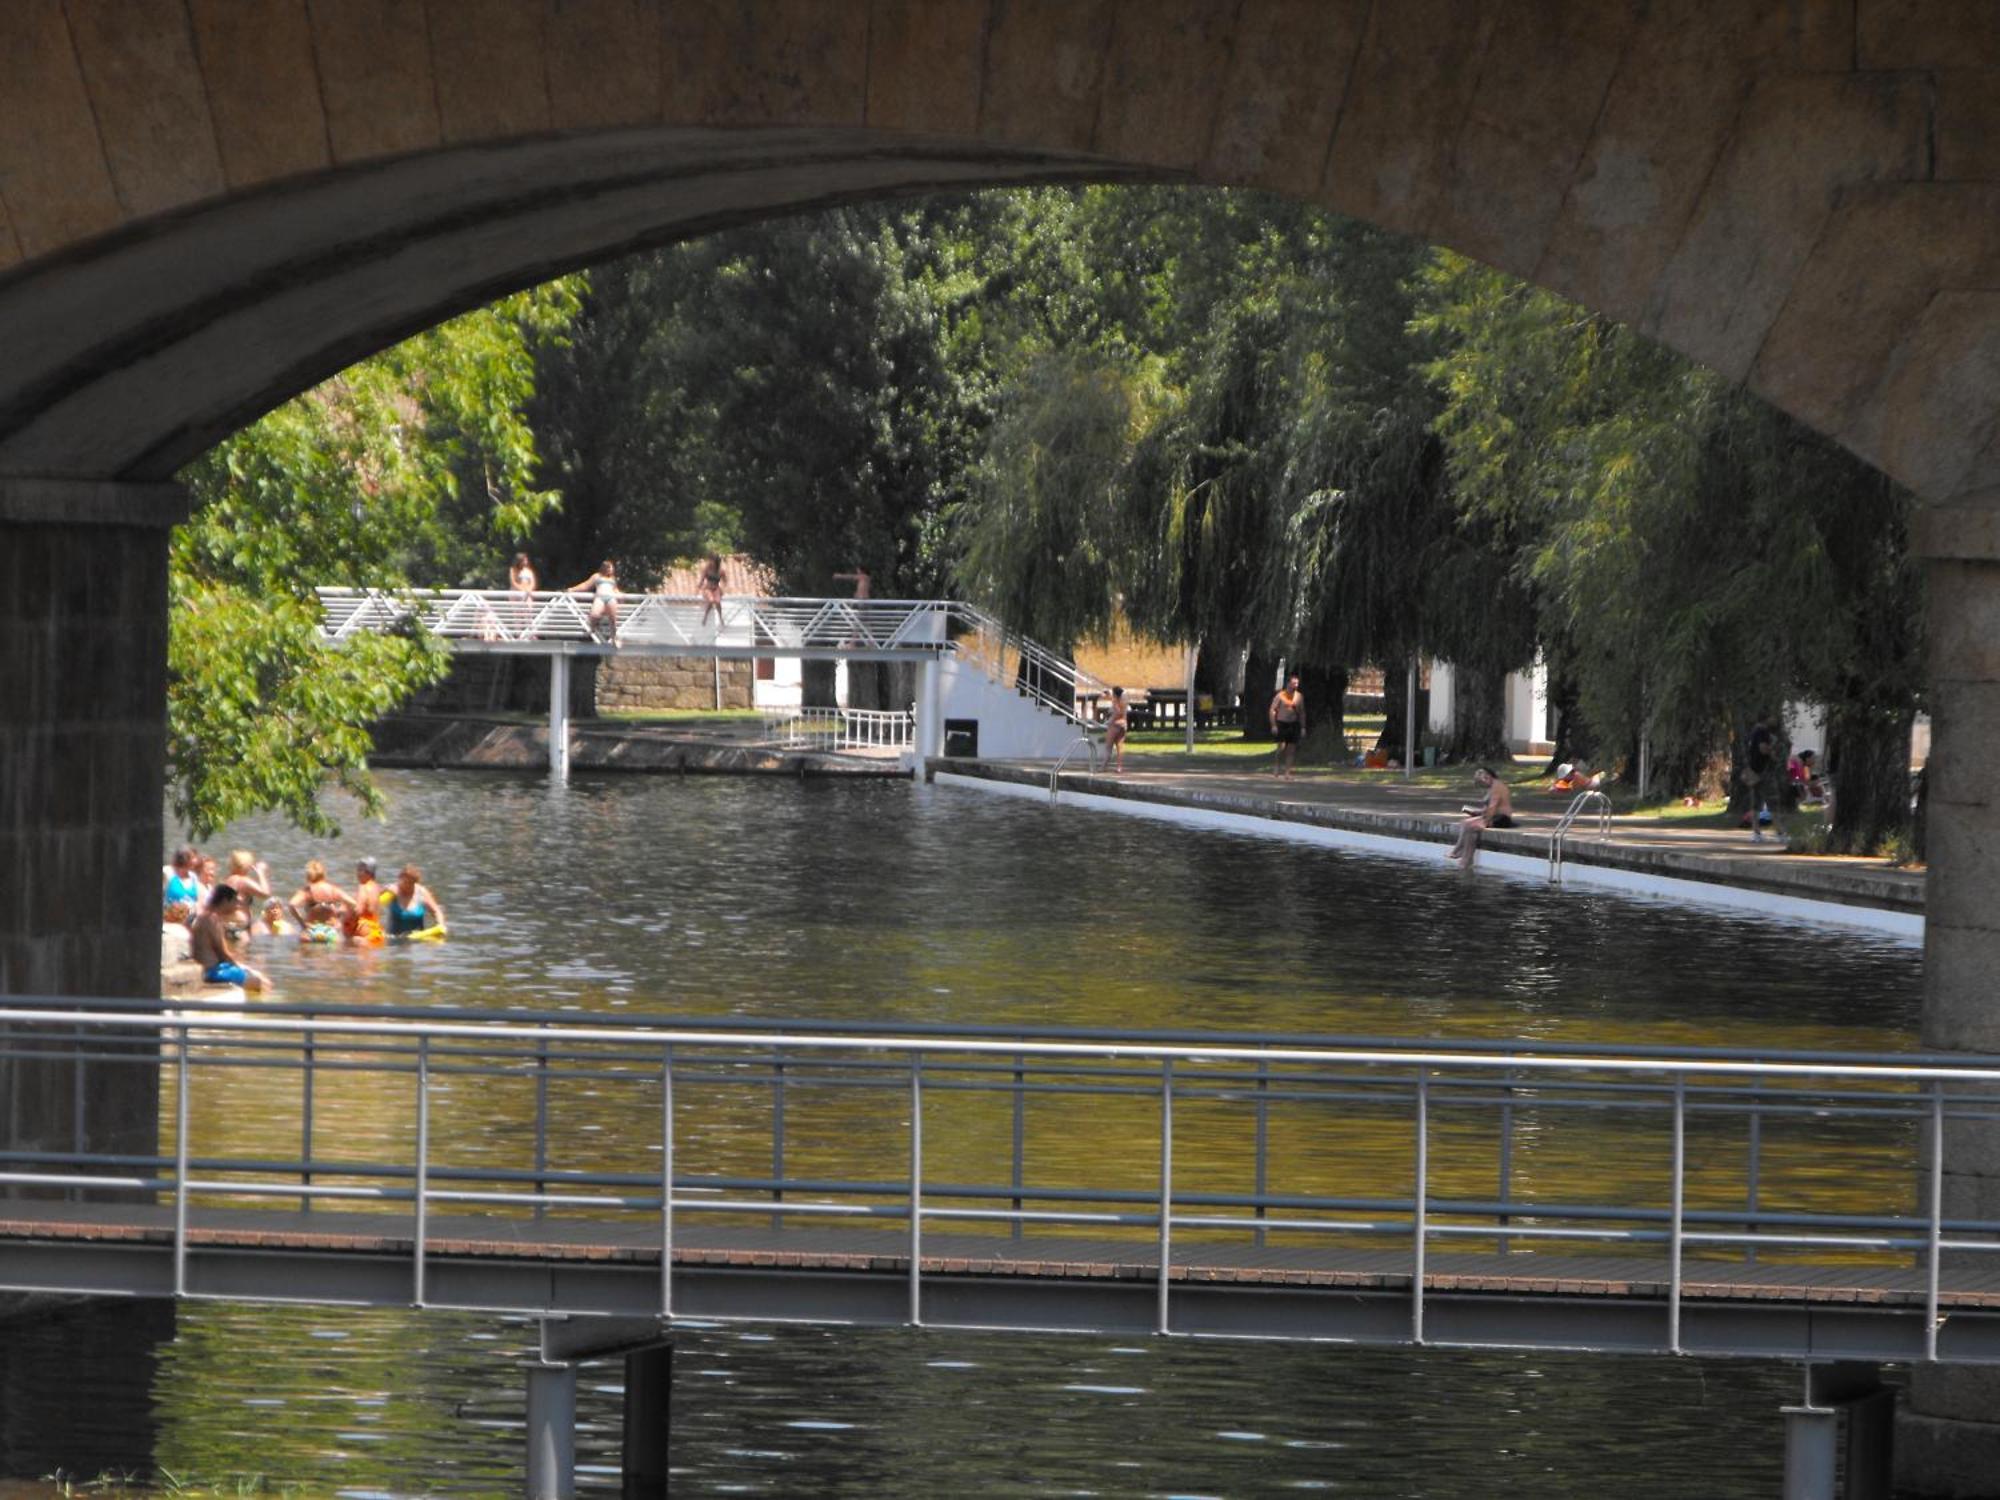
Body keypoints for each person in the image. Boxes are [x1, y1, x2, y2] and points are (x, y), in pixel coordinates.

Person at [190, 885, 268, 991]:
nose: (237, 905)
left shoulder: (205, 917)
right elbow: (224, 954)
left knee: (258, 976)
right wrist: (244, 968)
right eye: (235, 901)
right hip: (211, 971)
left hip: (212, 967)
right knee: (260, 982)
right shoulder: (211, 919)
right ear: (226, 900)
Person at [1447, 766, 1515, 868]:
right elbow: (1487, 808)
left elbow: (1492, 808)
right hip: (1494, 816)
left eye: (1482, 782)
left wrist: (1484, 822)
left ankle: (1466, 858)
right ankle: (1459, 851)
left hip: (1502, 818)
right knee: (1465, 822)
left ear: (1488, 777)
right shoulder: (1492, 786)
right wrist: (1476, 813)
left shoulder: (1497, 787)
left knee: (1471, 826)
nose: (1483, 785)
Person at [287, 859, 357, 944]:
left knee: (303, 954)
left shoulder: (308, 890)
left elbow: (291, 905)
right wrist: (340, 919)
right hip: (330, 932)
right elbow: (354, 904)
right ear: (323, 873)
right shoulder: (333, 889)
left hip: (311, 932)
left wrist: (301, 922)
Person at [383, 864, 447, 938]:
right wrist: (385, 888)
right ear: (400, 879)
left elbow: (436, 911)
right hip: (394, 939)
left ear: (415, 882)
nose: (406, 886)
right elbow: (373, 897)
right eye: (404, 882)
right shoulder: (392, 891)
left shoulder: (421, 892)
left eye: (409, 883)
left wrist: (441, 924)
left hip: (418, 940)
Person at [1744, 715, 1778, 841]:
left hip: (1753, 770)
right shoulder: (1762, 731)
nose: (1775, 720)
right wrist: (1772, 752)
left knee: (1756, 803)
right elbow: (1763, 749)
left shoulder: (1753, 731)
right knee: (1772, 801)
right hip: (1762, 771)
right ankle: (1780, 832)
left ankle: (1756, 833)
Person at [570, 559, 620, 643]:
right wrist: (572, 589)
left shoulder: (612, 579)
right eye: (611, 568)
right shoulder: (597, 576)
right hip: (600, 597)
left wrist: (622, 596)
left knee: (613, 619)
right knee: (594, 615)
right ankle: (592, 629)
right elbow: (585, 585)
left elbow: (616, 590)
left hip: (611, 598)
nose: (612, 570)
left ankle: (614, 638)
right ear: (605, 568)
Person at [1269, 675, 1305, 778]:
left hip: (1293, 724)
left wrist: (1303, 727)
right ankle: (1277, 766)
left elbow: (1302, 713)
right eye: (1294, 683)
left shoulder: (1299, 696)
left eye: (1297, 683)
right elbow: (1272, 710)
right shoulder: (1280, 696)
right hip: (1281, 723)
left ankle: (1287, 772)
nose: (1296, 685)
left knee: (1291, 749)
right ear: (1288, 684)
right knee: (1281, 747)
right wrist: (1274, 725)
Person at [348, 857, 387, 943]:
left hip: (364, 930)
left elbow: (358, 910)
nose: (357, 874)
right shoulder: (376, 888)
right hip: (377, 932)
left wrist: (346, 918)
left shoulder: (363, 887)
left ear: (368, 873)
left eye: (359, 870)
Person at [162, 845, 203, 923]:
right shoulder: (168, 872)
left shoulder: (193, 877)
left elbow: (198, 900)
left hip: (189, 921)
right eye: (193, 857)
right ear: (184, 858)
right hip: (171, 920)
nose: (196, 861)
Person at [1103, 686, 1130, 774]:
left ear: (1115, 694)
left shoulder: (1115, 701)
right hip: (1123, 724)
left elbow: (1118, 712)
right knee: (1120, 746)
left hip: (1115, 724)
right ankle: (1119, 767)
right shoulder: (1124, 701)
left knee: (1108, 746)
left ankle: (1104, 766)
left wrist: (1110, 721)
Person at [697, 553, 725, 627]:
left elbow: (725, 581)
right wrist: (699, 586)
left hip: (716, 588)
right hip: (707, 588)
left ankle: (720, 617)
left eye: (713, 561)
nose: (711, 563)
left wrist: (723, 589)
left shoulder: (720, 571)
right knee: (711, 600)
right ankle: (705, 616)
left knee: (718, 601)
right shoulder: (707, 569)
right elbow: (702, 579)